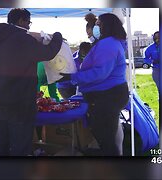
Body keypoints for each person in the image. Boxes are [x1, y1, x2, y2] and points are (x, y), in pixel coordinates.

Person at [0, 8, 63, 156]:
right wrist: (57, 37)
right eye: (28, 22)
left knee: (2, 142)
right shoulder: (23, 39)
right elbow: (47, 53)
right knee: (20, 145)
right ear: (21, 20)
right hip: (19, 102)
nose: (29, 26)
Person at [57, 13, 129, 156]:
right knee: (106, 136)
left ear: (106, 26)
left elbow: (99, 73)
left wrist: (72, 77)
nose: (95, 27)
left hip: (107, 95)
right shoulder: (109, 42)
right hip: (107, 94)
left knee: (106, 138)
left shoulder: (108, 44)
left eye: (98, 24)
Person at [144, 31, 160, 96]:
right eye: (156, 37)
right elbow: (146, 59)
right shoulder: (150, 48)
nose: (158, 39)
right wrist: (151, 61)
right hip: (156, 70)